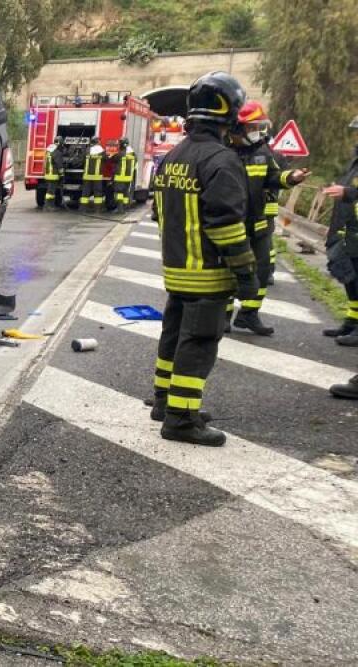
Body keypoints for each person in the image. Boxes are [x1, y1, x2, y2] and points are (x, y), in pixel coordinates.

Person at [149, 71, 256, 447]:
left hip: (177, 271)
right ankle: (181, 419)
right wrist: (246, 273)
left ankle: (164, 402)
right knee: (199, 343)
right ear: (229, 112)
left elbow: (159, 213)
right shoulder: (221, 160)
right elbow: (226, 225)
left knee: (173, 336)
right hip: (208, 274)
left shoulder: (173, 156)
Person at [226, 101, 310, 335]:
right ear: (237, 128)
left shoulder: (262, 152)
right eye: (253, 127)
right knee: (227, 272)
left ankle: (249, 314)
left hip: (259, 223)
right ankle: (222, 316)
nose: (257, 132)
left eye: (259, 127)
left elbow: (274, 176)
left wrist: (291, 178)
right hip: (231, 224)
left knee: (262, 271)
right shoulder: (222, 153)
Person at [323, 114, 358, 355]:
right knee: (351, 279)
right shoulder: (355, 160)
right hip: (349, 230)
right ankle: (351, 322)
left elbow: (351, 191)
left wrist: (347, 192)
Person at [81, 137, 106, 211]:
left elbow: (82, 159)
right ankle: (97, 209)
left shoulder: (87, 150)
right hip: (97, 176)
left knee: (85, 192)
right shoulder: (102, 151)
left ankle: (83, 208)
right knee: (97, 193)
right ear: (98, 142)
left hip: (87, 175)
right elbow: (106, 159)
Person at [113, 138, 137, 209]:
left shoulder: (121, 153)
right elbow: (135, 162)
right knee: (126, 192)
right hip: (128, 177)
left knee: (119, 193)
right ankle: (125, 207)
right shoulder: (133, 154)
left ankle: (120, 209)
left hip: (120, 177)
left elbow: (114, 159)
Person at [42, 137, 64, 209]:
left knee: (50, 191)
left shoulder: (49, 150)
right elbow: (59, 165)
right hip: (53, 175)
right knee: (50, 192)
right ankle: (48, 206)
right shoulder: (57, 152)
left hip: (48, 174)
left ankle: (50, 205)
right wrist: (62, 175)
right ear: (59, 143)